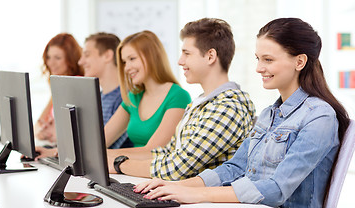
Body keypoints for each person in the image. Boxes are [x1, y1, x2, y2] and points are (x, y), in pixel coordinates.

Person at [135, 18, 350, 208]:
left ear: (300, 61)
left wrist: (196, 194)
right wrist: (175, 186)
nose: (258, 68)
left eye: (268, 60)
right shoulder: (269, 114)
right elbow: (235, 167)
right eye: (258, 58)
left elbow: (276, 190)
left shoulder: (319, 117)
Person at [108, 18, 256, 181]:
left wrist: (119, 164)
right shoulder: (199, 104)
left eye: (187, 53)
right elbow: (168, 152)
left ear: (210, 56)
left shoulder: (228, 107)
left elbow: (177, 167)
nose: (180, 61)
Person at [104, 30, 191, 155]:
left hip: (154, 172)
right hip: (127, 172)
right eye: (124, 62)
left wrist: (105, 155)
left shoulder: (178, 97)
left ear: (152, 57)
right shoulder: (133, 97)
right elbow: (101, 141)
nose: (127, 67)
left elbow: (153, 151)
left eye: (132, 59)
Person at [35, 33, 84, 146]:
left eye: (57, 58)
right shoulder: (59, 85)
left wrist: (44, 132)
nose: (51, 63)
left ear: (70, 59)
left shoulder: (76, 84)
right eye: (48, 57)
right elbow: (38, 126)